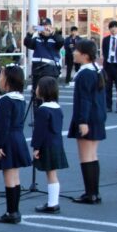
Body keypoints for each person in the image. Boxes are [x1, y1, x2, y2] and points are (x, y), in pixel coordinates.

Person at [0, 64, 31, 224]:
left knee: (8, 177)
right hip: (18, 138)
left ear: (8, 80)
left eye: (1, 76)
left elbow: (3, 125)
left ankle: (11, 212)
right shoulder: (20, 98)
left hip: (7, 140)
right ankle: (14, 210)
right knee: (15, 176)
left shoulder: (6, 100)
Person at [68, 40, 107, 205]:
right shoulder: (97, 71)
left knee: (85, 156)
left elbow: (84, 100)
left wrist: (82, 121)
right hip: (97, 117)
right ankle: (93, 192)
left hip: (87, 118)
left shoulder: (85, 73)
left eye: (76, 50)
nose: (73, 53)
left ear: (84, 55)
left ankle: (90, 193)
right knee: (92, 155)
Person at [31, 76, 69, 213]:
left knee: (51, 174)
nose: (36, 89)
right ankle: (53, 202)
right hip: (57, 143)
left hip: (47, 145)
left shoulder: (43, 110)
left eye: (37, 87)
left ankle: (53, 203)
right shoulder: (57, 108)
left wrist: (36, 148)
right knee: (53, 174)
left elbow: (39, 132)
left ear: (43, 91)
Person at [24, 17, 64, 111]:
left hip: (50, 72)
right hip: (38, 71)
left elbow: (61, 41)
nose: (44, 29)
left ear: (51, 27)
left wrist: (52, 33)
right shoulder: (37, 40)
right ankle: (38, 117)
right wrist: (30, 33)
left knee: (51, 96)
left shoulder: (55, 39)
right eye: (42, 27)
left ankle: (52, 116)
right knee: (37, 96)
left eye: (46, 26)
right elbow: (27, 43)